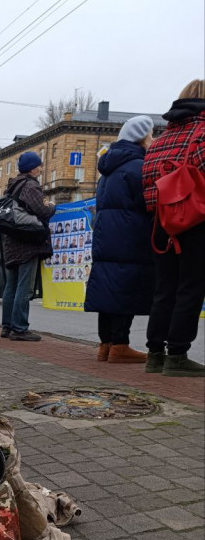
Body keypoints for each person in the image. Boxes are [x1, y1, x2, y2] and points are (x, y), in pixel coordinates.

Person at [143, 79, 205, 377]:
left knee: (164, 288)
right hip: (195, 221)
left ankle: (154, 354)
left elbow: (147, 182)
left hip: (160, 222)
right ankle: (177, 355)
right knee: (191, 287)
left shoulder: (160, 139)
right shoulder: (203, 133)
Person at [84, 116, 154, 363]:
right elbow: (149, 203)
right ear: (141, 137)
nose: (153, 139)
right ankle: (120, 344)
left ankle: (105, 344)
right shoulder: (137, 166)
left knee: (108, 289)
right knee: (125, 288)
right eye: (150, 135)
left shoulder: (107, 170)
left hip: (106, 237)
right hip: (130, 236)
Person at [1, 152, 55, 340]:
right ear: (32, 168)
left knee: (11, 287)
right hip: (27, 243)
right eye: (39, 165)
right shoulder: (30, 185)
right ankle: (19, 328)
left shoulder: (12, 186)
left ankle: (7, 327)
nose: (41, 168)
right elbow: (41, 211)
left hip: (12, 241)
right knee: (24, 287)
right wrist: (51, 206)